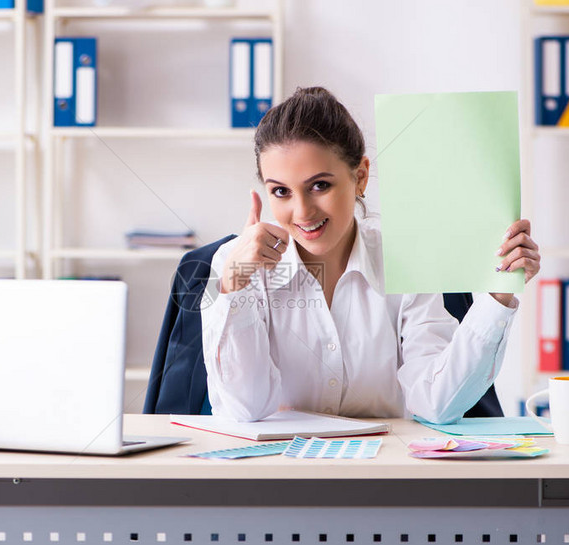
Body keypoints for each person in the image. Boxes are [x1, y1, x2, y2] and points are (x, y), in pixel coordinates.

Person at [200, 87, 540, 423]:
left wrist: (498, 294)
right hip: (284, 470)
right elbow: (244, 409)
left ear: (360, 177)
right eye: (281, 191)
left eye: (320, 185)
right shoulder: (234, 264)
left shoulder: (403, 256)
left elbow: (436, 402)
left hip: (387, 470)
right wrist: (235, 288)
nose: (302, 211)